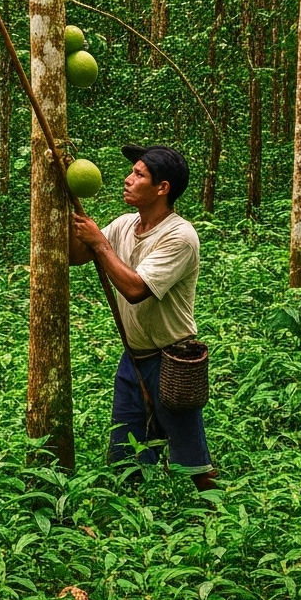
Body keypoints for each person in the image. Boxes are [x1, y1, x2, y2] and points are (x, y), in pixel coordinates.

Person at [69, 144, 218, 491]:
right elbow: (77, 256)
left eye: (138, 174)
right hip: (133, 358)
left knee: (192, 459)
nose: (128, 179)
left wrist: (100, 244)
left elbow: (136, 289)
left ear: (162, 188)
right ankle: (129, 524)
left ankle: (218, 518)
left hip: (172, 359)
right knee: (126, 454)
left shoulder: (179, 236)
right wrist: (66, 203)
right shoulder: (124, 224)